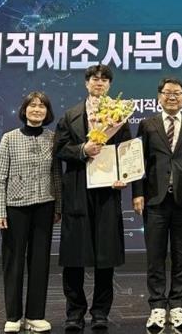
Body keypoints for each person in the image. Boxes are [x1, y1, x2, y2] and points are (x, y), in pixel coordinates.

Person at [54, 64, 132, 330]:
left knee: (105, 256)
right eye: (94, 79)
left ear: (109, 85)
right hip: (77, 190)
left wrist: (124, 175)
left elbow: (126, 151)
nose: (99, 83)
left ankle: (100, 312)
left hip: (107, 192)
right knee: (74, 256)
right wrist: (82, 150)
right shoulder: (70, 115)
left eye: (104, 79)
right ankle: (74, 312)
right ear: (86, 83)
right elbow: (60, 149)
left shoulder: (119, 116)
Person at [133, 77, 182, 330]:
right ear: (159, 97)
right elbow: (138, 162)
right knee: (155, 255)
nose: (172, 97)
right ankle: (156, 306)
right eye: (167, 93)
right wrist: (137, 193)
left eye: (177, 93)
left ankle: (177, 305)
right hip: (155, 199)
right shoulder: (147, 124)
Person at [0, 91, 62, 333]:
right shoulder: (9, 138)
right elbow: (0, 177)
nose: (37, 110)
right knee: (14, 262)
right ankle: (13, 316)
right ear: (24, 110)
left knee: (40, 262)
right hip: (15, 207)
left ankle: (35, 315)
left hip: (45, 205)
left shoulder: (53, 139)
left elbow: (56, 175)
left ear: (47, 112)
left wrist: (58, 207)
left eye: (42, 106)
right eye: (32, 105)